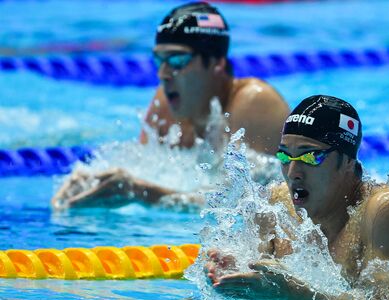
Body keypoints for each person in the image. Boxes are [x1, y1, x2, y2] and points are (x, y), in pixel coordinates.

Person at [205, 95, 389, 300]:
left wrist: (294, 295)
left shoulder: (385, 213)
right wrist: (234, 282)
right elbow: (257, 298)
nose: (293, 171)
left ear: (348, 161)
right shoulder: (276, 205)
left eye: (311, 156)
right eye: (285, 155)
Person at [52, 2, 289, 210]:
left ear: (216, 62)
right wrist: (93, 181)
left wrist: (143, 192)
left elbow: (247, 204)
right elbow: (143, 170)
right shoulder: (167, 102)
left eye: (177, 60)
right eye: (159, 60)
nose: (163, 73)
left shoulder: (254, 104)